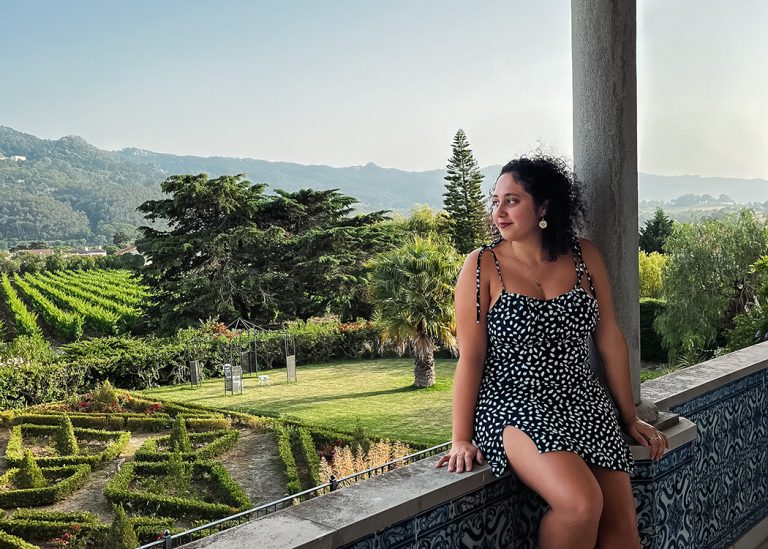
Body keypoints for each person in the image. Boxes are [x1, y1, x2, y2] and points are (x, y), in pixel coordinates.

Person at [436, 155, 669, 548]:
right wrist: (460, 437)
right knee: (580, 504)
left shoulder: (584, 256)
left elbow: (609, 336)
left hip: (583, 401)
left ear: (543, 206)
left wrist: (628, 415)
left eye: (511, 201)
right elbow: (471, 357)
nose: (498, 212)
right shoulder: (481, 266)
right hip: (515, 404)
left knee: (624, 536)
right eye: (495, 201)